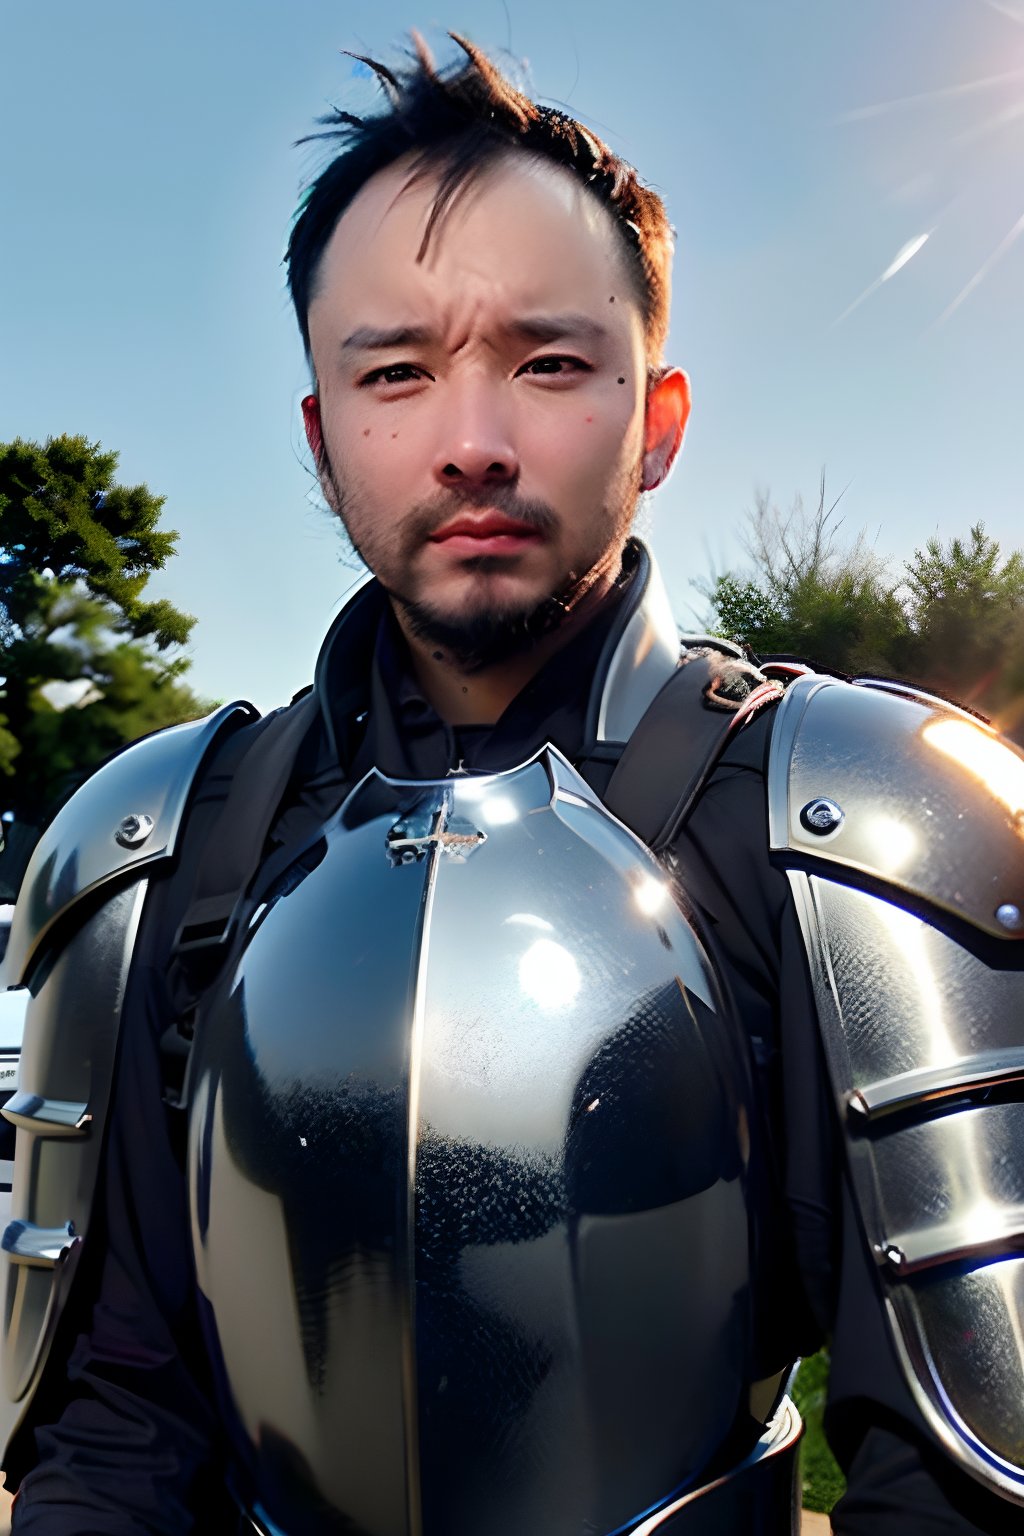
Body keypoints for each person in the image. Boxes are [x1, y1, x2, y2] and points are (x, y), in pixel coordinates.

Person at [3, 33, 1023, 1536]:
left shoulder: (861, 818)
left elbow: (965, 1471)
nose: (472, 441)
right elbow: (110, 1430)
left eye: (547, 362)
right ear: (322, 438)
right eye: (397, 372)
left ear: (656, 419)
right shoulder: (158, 848)